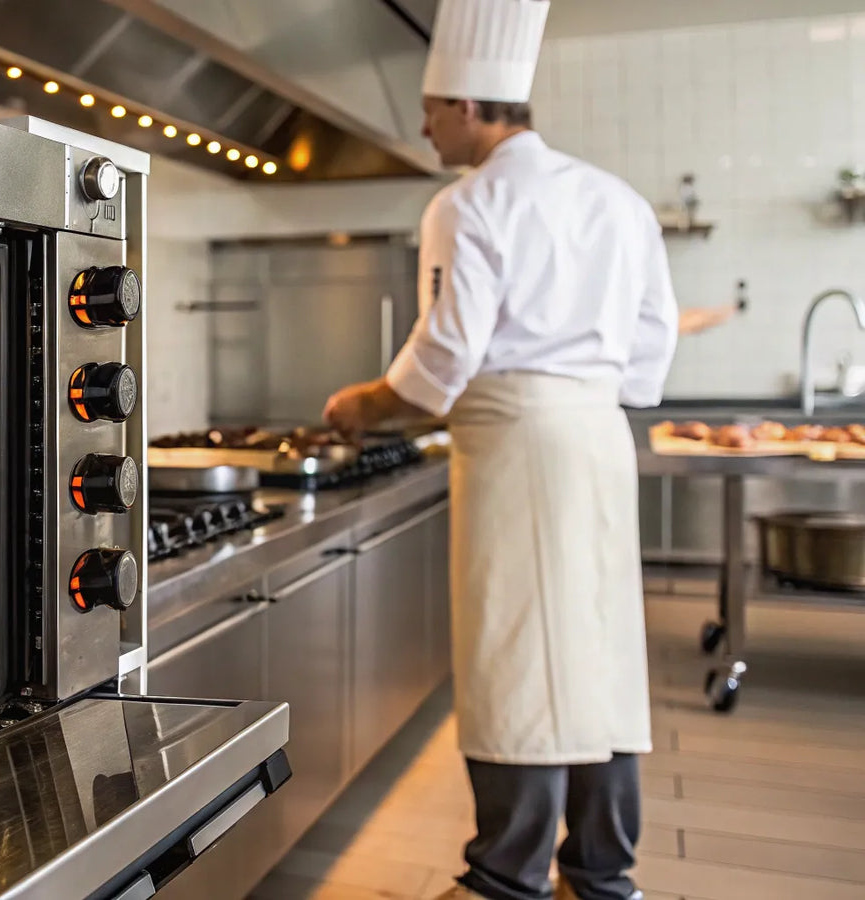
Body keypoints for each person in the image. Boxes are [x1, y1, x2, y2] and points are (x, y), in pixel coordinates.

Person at [321, 2, 674, 899]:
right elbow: (651, 348)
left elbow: (444, 356)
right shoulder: (618, 200)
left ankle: (505, 879)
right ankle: (602, 876)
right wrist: (583, 388)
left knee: (516, 655)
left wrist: (361, 404)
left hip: (519, 443)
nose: (425, 125)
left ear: (473, 108)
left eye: (433, 108)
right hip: (599, 436)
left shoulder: (468, 202)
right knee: (599, 651)